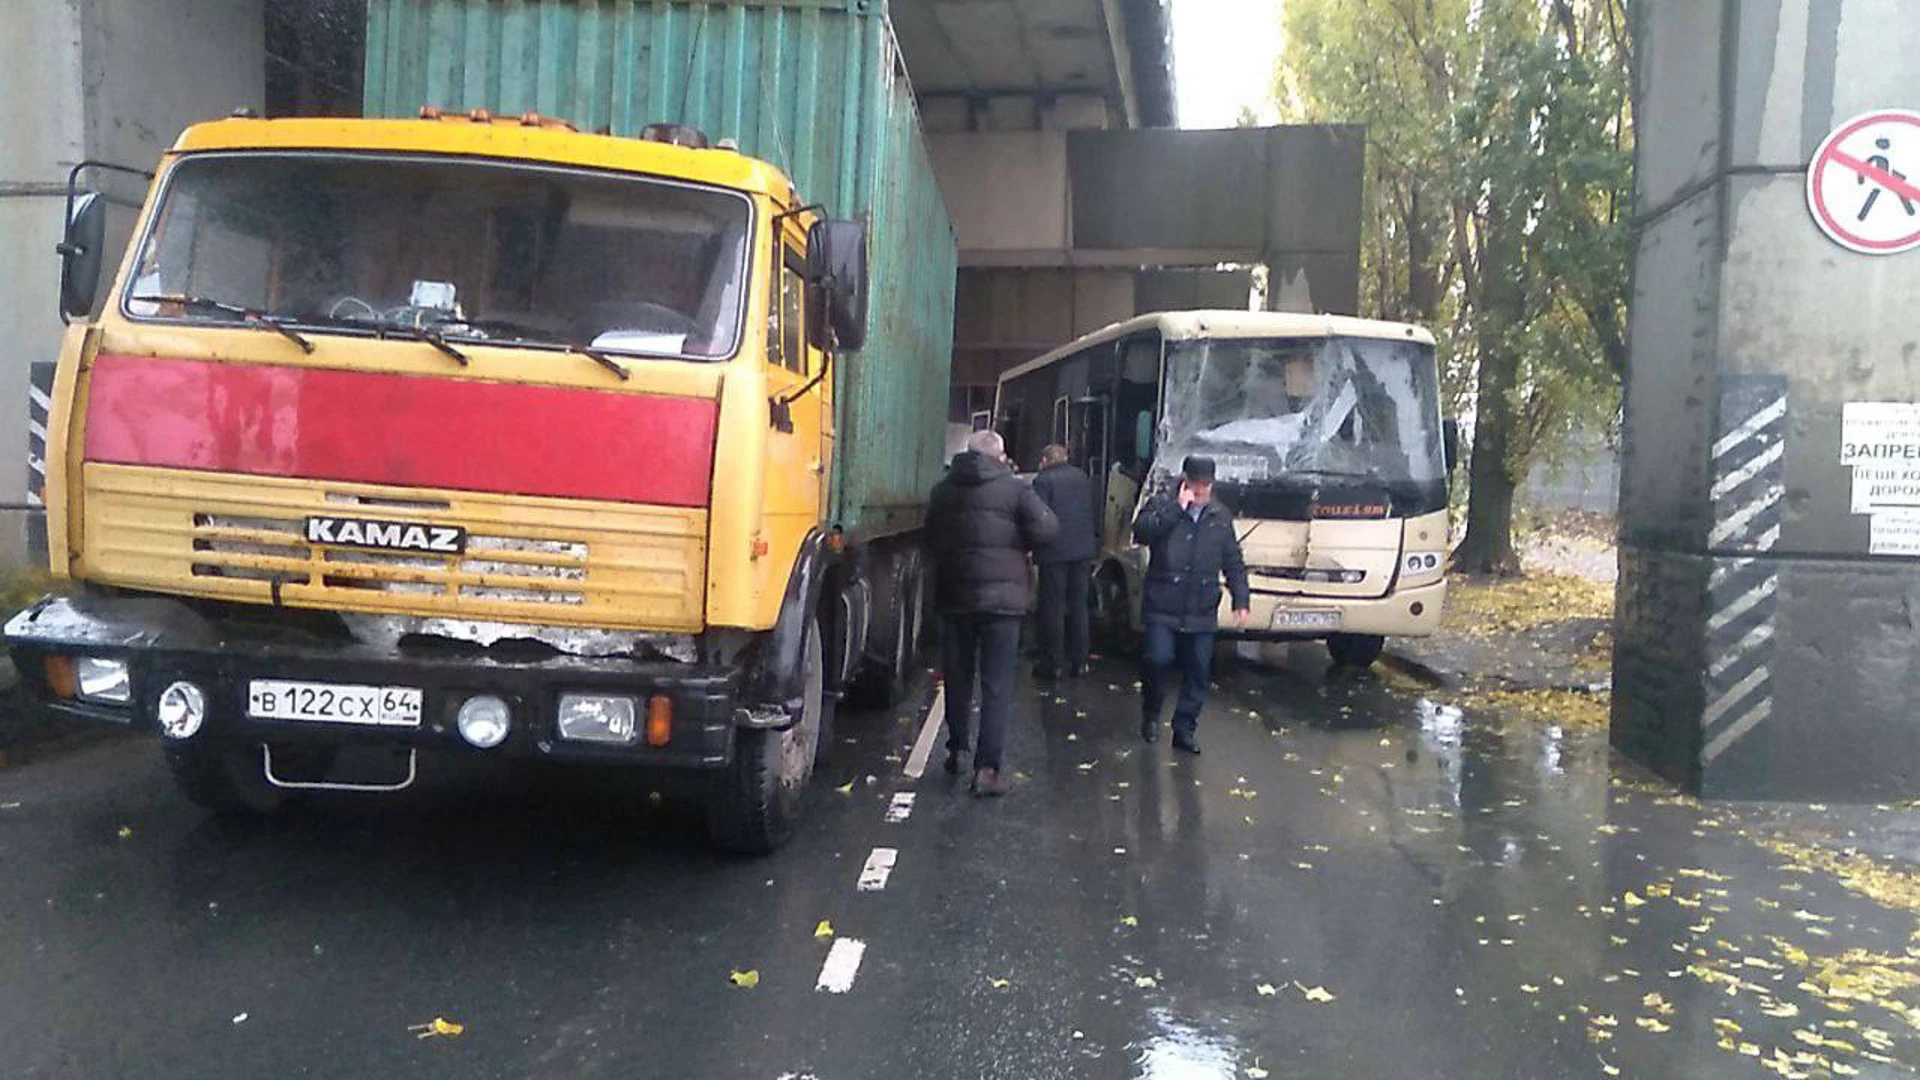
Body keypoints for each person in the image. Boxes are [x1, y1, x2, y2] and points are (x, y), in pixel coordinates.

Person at [925, 429, 1058, 795]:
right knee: (997, 685)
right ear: (1001, 456)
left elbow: (930, 540)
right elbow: (1048, 528)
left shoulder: (943, 491)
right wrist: (1021, 545)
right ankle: (987, 769)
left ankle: (956, 749)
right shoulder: (1016, 490)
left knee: (958, 676)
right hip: (1004, 602)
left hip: (955, 597)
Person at [1131, 455, 1250, 754]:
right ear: (1184, 482)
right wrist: (1176, 509)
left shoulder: (1219, 517)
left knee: (1198, 671)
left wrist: (1241, 599)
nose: (1200, 493)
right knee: (1157, 659)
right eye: (1195, 486)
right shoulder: (1162, 505)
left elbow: (1233, 561)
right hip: (1163, 602)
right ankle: (1151, 712)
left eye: (1205, 487)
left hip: (1201, 606)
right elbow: (1142, 531)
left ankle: (1185, 729)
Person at [1029, 443, 1099, 680]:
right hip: (1082, 551)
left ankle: (1053, 662)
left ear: (1045, 460)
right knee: (1079, 606)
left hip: (1054, 552)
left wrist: (1033, 545)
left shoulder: (1043, 481)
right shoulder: (1082, 477)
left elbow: (1039, 516)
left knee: (1053, 607)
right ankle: (1080, 661)